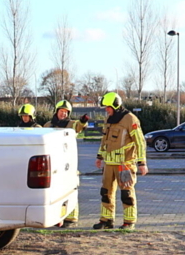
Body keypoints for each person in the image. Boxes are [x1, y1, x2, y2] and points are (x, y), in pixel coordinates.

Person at [94, 92, 148, 230]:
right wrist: (99, 156)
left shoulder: (130, 119)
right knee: (106, 192)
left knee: (127, 193)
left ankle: (129, 222)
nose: (106, 110)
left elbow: (140, 142)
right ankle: (106, 220)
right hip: (109, 164)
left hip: (125, 164)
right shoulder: (109, 119)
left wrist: (142, 163)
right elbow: (104, 140)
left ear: (116, 106)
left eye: (108, 107)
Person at [48, 99, 90, 227]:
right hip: (53, 162)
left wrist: (83, 121)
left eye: (66, 112)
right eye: (62, 111)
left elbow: (79, 126)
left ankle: (71, 218)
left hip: (68, 162)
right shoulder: (48, 125)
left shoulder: (71, 124)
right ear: (57, 112)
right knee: (54, 191)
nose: (64, 114)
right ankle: (57, 218)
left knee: (70, 189)